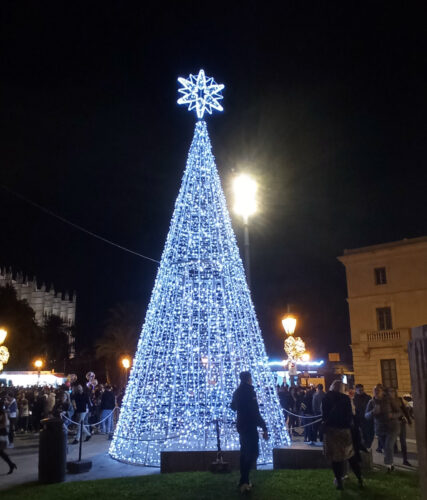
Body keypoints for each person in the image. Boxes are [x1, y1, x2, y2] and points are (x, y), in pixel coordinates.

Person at [231, 371, 269, 494]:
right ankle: (244, 481)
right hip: (250, 426)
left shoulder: (237, 392)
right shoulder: (249, 391)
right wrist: (264, 427)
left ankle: (243, 481)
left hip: (241, 425)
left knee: (244, 453)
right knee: (253, 453)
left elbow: (233, 407)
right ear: (248, 379)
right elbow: (255, 411)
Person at [322, 380, 363, 490]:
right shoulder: (345, 398)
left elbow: (324, 415)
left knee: (336, 458)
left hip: (331, 431)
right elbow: (349, 415)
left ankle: (339, 480)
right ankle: (359, 478)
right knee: (350, 455)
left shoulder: (326, 397)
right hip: (344, 431)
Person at [365, 385, 400, 472]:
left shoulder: (389, 400)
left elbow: (399, 412)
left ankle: (388, 466)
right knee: (385, 448)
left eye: (378, 390)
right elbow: (366, 416)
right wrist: (372, 412)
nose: (376, 392)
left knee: (388, 446)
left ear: (382, 391)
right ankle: (391, 465)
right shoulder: (371, 402)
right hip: (380, 428)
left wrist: (392, 415)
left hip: (392, 427)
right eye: (375, 390)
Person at [353, 384, 374, 449]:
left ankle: (367, 446)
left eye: (362, 390)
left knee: (368, 434)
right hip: (358, 419)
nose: (360, 391)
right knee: (361, 435)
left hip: (367, 420)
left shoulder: (368, 398)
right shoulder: (354, 399)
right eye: (359, 390)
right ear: (356, 390)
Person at [0, 408, 17, 474]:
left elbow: (4, 424)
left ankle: (11, 464)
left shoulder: (4, 414)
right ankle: (11, 464)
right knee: (1, 453)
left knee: (1, 452)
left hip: (2, 435)